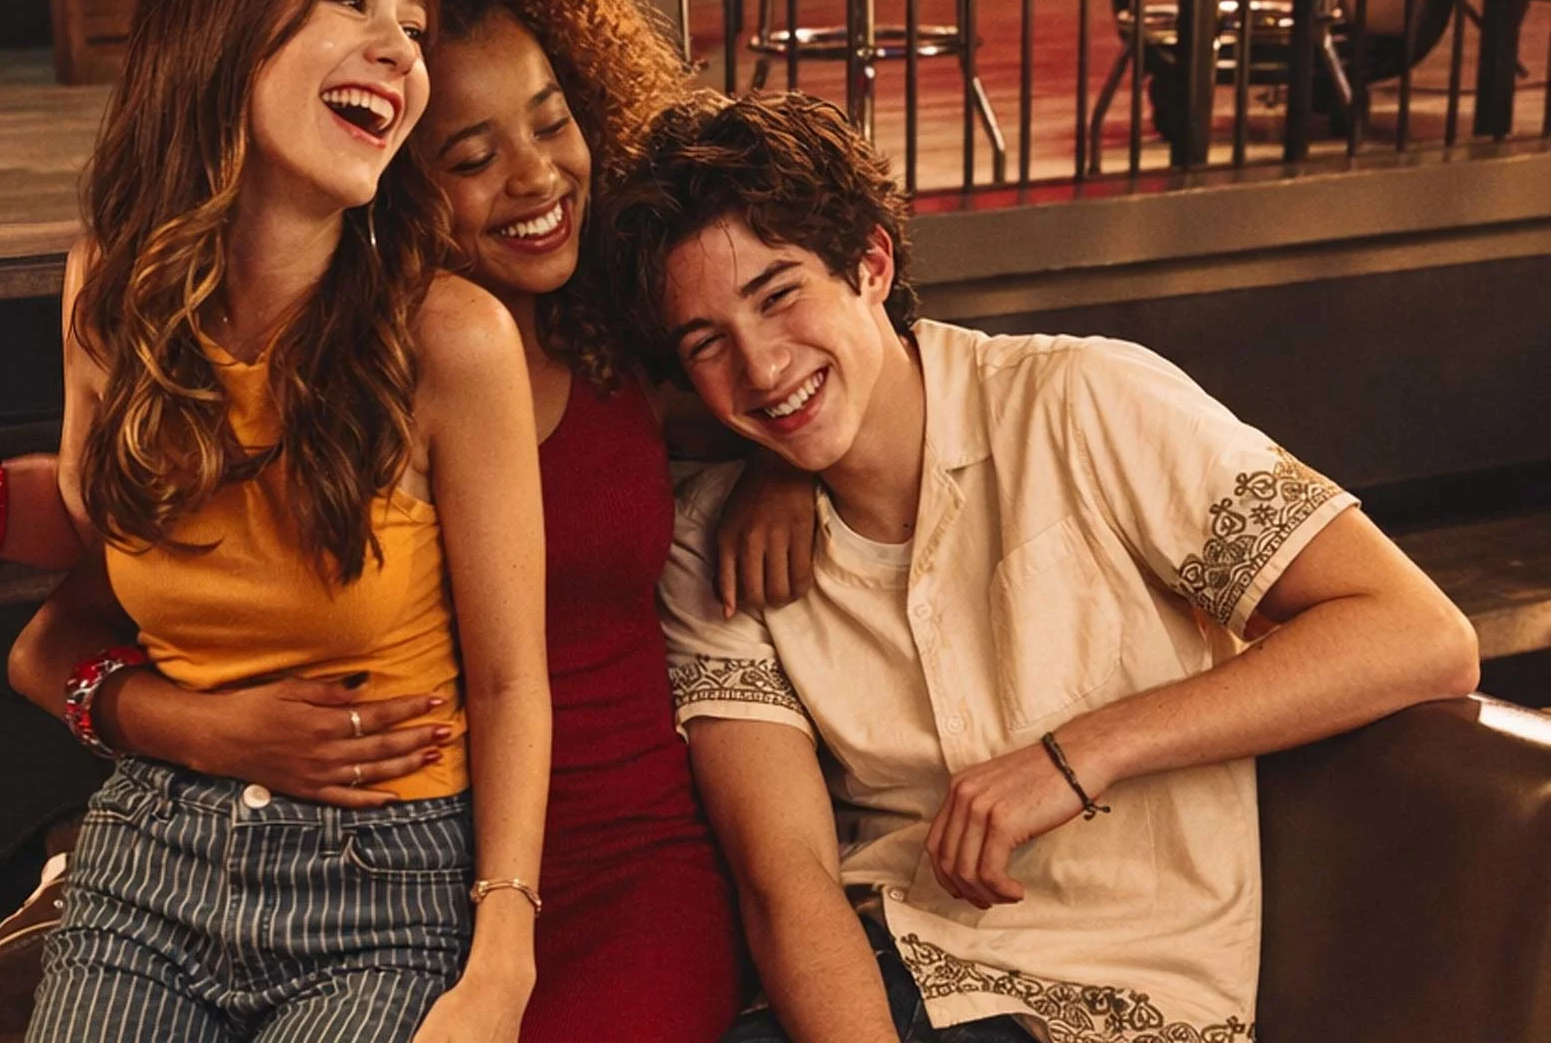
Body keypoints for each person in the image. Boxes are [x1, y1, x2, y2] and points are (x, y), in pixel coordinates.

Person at [0, 0, 797, 1042]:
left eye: (548, 124)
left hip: (504, 853)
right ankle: (68, 881)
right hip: (216, 831)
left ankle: (61, 880)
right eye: (468, 150)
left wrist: (798, 477)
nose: (532, 175)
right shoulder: (167, 292)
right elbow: (91, 549)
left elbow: (808, 364)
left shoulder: (604, 324)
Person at [595, 91, 1481, 1043]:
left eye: (780, 297)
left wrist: (1081, 753)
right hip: (876, 976)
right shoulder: (710, 544)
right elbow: (786, 878)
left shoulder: (1085, 404)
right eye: (708, 344)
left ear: (871, 263)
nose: (762, 369)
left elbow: (1421, 635)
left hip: (1123, 999)